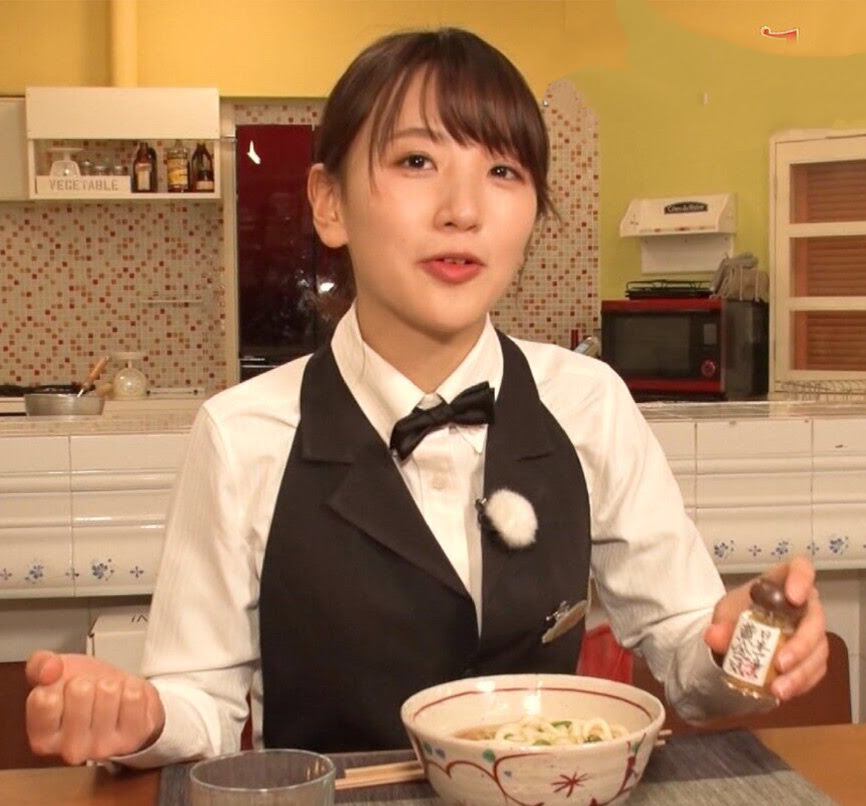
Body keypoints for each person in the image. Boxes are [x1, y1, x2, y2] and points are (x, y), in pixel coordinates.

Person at [25, 27, 828, 767]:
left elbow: (689, 658)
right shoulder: (243, 435)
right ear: (329, 202)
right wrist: (138, 717)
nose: (463, 211)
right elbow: (199, 706)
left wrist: (744, 647)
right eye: (416, 161)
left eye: (503, 172)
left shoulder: (589, 404)